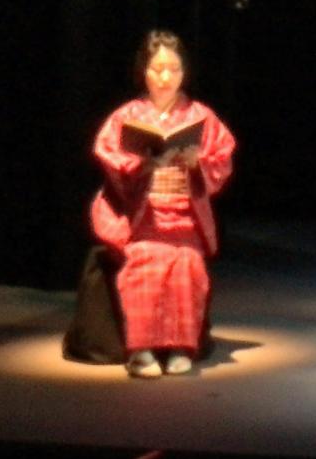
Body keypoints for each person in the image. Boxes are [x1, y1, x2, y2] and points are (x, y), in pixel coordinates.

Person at [89, 31, 237, 378]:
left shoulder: (201, 116)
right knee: (144, 262)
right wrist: (143, 165)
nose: (165, 77)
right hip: (142, 218)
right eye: (157, 69)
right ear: (143, 71)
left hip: (185, 218)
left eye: (174, 68)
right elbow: (108, 153)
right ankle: (141, 350)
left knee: (188, 266)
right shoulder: (127, 116)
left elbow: (222, 158)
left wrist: (198, 162)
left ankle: (180, 347)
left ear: (185, 72)